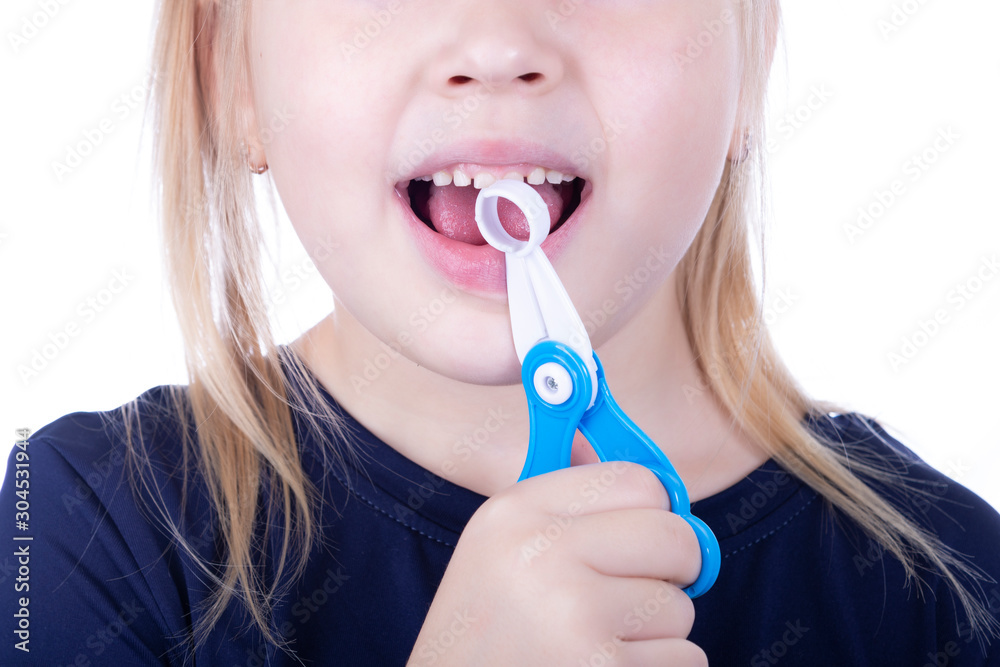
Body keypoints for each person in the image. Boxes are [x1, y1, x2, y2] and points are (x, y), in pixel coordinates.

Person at [3, 1, 999, 665]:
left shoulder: (950, 590)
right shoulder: (85, 529)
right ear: (230, 74)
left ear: (752, 58)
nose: (493, 48)